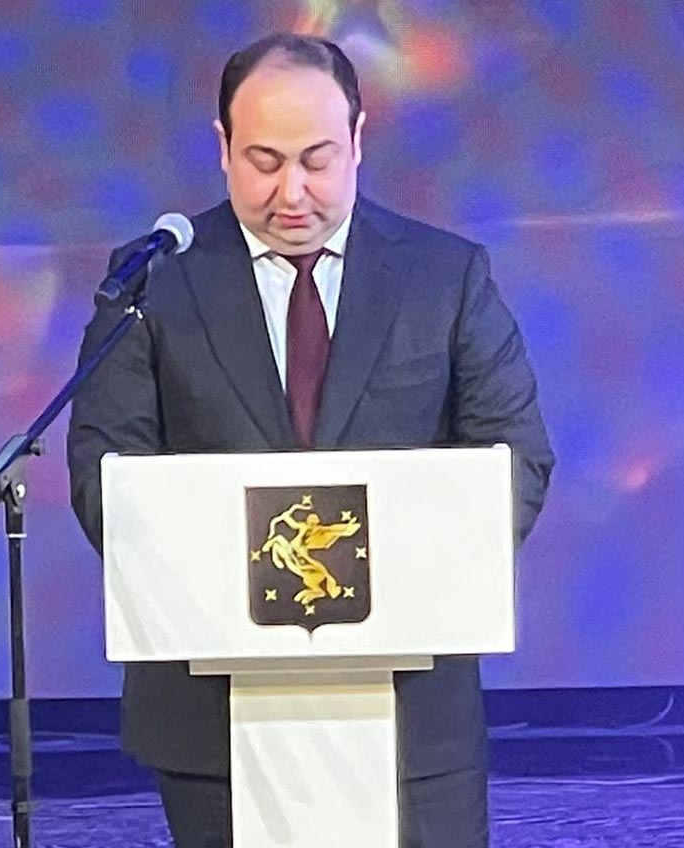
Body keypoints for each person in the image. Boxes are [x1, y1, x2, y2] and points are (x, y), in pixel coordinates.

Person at [67, 32, 554, 848]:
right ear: (223, 146)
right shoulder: (152, 283)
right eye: (263, 161)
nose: (291, 192)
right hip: (210, 716)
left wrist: (398, 577)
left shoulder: (444, 276)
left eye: (316, 160)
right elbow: (102, 472)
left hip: (412, 715)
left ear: (358, 140)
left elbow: (517, 456)